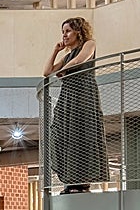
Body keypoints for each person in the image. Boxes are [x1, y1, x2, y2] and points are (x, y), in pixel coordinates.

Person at [43, 16, 109, 193]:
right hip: (68, 97)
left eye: (68, 31)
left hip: (83, 94)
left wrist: (64, 70)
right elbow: (47, 72)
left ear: (78, 31)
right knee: (64, 133)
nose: (64, 35)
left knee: (83, 133)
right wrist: (56, 51)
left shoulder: (89, 44)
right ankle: (71, 180)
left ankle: (82, 181)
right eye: (62, 32)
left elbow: (81, 60)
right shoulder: (66, 56)